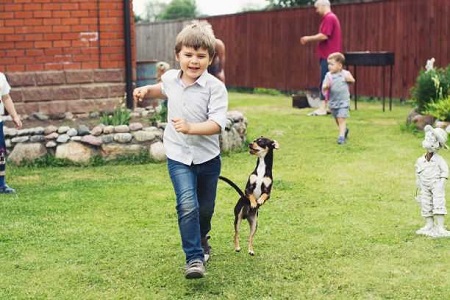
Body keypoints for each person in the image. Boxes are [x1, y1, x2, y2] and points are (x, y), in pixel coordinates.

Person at [133, 21, 228, 279]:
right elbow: (163, 90)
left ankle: (202, 237)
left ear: (210, 58)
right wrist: (146, 91)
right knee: (188, 205)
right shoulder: (170, 79)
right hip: (178, 156)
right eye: (188, 55)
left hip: (208, 158)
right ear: (178, 56)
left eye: (200, 56)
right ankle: (194, 258)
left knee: (205, 209)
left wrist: (191, 127)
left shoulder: (215, 88)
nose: (194, 61)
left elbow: (218, 124)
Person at [300, 0, 342, 116]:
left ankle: (323, 107)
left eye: (317, 7)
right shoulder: (332, 18)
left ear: (324, 6)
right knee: (331, 82)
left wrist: (308, 38)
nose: (316, 10)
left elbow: (324, 35)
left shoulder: (329, 18)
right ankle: (330, 107)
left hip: (329, 56)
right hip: (331, 56)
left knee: (325, 81)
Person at [415, 125, 450, 238]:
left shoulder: (439, 160)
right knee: (426, 203)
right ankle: (429, 224)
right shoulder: (420, 160)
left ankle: (440, 227)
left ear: (438, 145)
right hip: (424, 186)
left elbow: (445, 171)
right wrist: (418, 186)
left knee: (438, 203)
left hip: (436, 185)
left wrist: (441, 183)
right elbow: (418, 173)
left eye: (433, 139)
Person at [321, 52, 355, 144]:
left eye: (332, 64)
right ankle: (344, 130)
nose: (329, 66)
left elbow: (352, 80)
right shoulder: (328, 76)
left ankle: (341, 137)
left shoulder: (345, 74)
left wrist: (350, 80)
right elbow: (324, 86)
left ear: (340, 65)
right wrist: (325, 87)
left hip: (343, 101)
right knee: (337, 118)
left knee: (341, 118)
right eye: (328, 64)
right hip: (333, 102)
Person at [0, 72, 23, 194]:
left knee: (1, 153)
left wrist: (15, 116)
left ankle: (1, 184)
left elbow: (6, 97)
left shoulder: (1, 77)